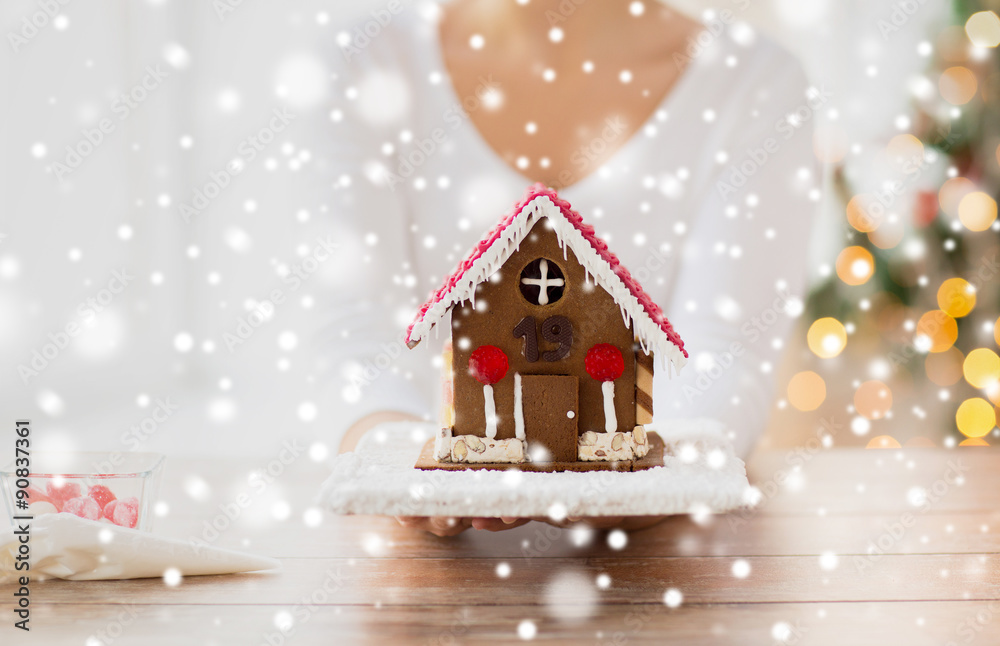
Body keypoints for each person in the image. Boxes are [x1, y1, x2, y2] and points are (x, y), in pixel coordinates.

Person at [329, 0, 816, 536]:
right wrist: (402, 469)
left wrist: (632, 476)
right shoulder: (366, 65)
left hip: (648, 564)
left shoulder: (753, 82)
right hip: (423, 569)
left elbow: (726, 350)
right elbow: (354, 338)